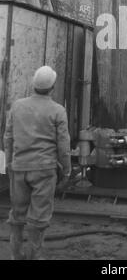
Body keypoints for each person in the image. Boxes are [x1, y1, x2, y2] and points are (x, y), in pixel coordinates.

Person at [4, 66, 71, 260]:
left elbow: (8, 137)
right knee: (39, 218)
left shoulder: (17, 106)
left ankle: (16, 255)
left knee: (17, 215)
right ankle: (34, 255)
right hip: (44, 170)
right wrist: (66, 171)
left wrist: (9, 164)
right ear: (53, 87)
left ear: (33, 84)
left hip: (19, 167)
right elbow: (63, 145)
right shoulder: (58, 110)